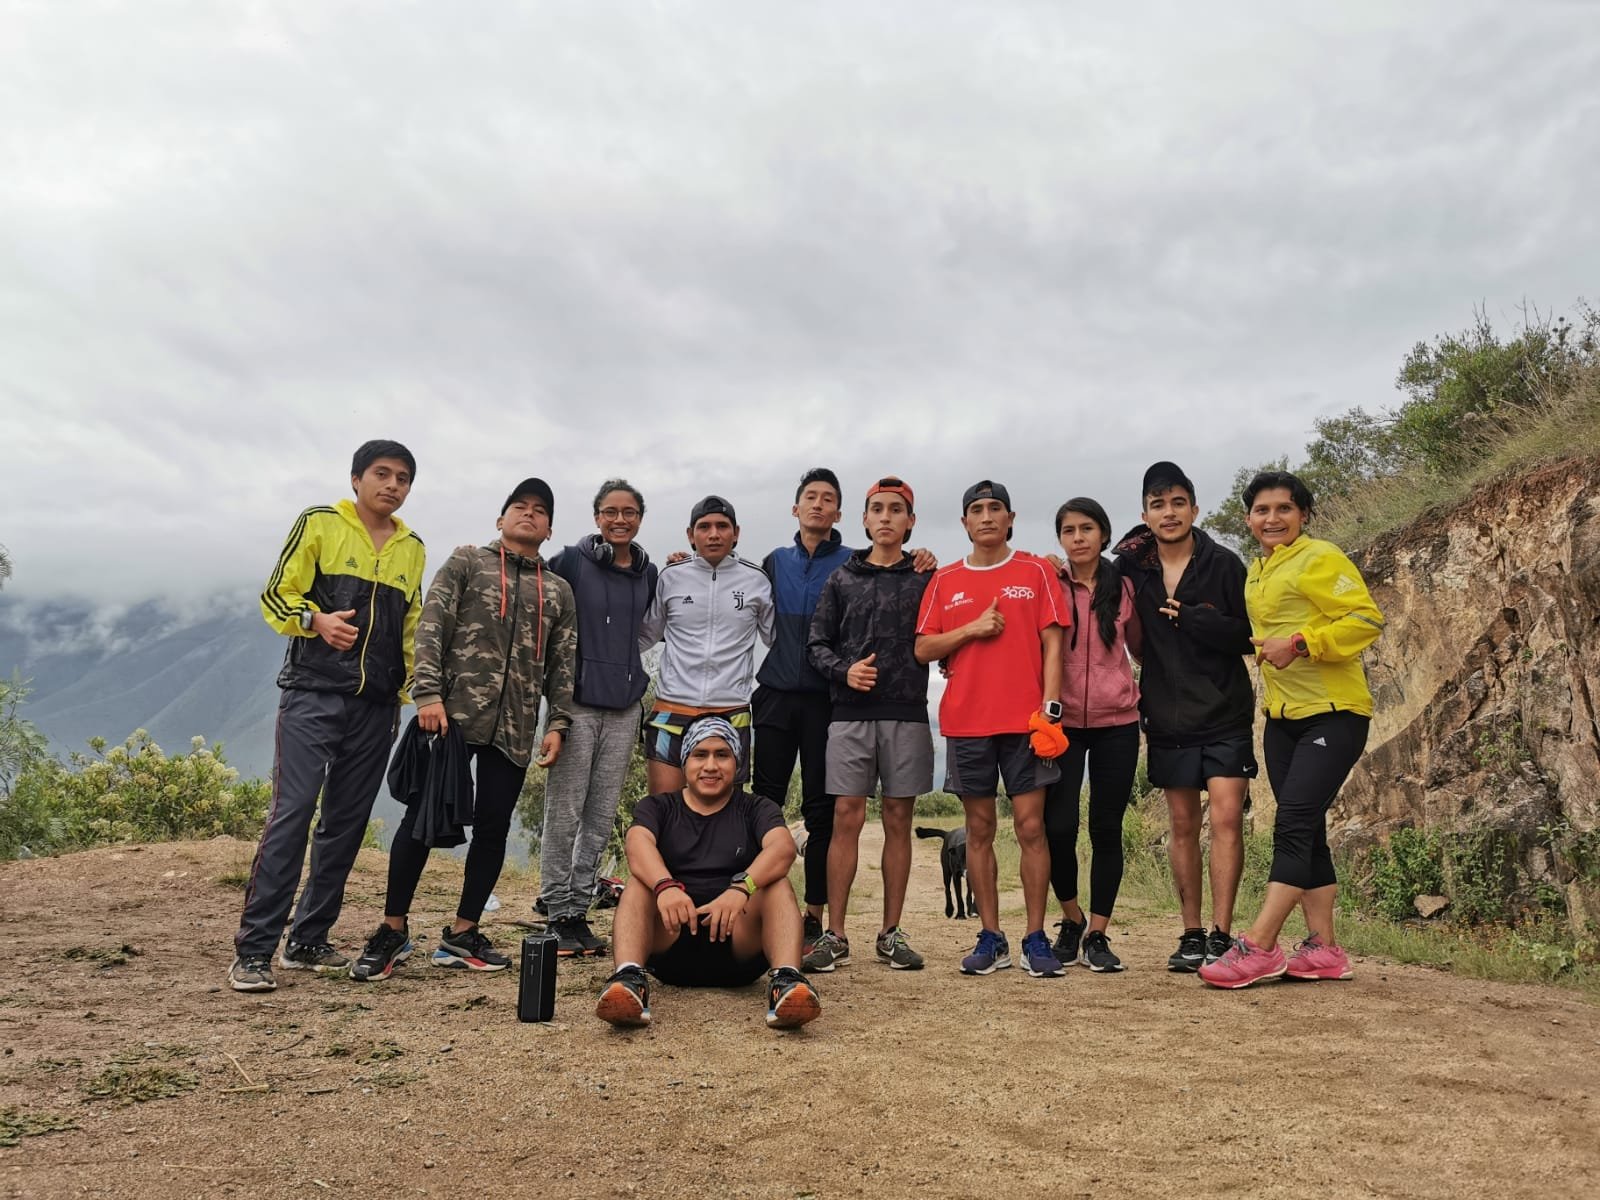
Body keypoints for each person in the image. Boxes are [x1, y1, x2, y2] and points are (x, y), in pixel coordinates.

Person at [351, 478, 577, 982]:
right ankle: (392, 929)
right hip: (451, 717)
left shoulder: (558, 590)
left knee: (493, 827)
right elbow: (431, 628)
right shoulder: (467, 563)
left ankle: (462, 933)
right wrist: (426, 695)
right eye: (519, 506)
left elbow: (564, 664)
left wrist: (557, 723)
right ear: (500, 519)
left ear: (549, 528)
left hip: (515, 728)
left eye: (540, 510)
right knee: (421, 821)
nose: (529, 514)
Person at [230, 439, 426, 993]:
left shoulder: (413, 547)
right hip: (313, 693)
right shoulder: (319, 523)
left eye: (403, 478)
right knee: (291, 814)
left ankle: (308, 940)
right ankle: (254, 950)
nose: (392, 485)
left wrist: (418, 692)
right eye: (382, 474)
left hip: (378, 706)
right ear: (357, 478)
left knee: (345, 824)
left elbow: (410, 628)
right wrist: (315, 620)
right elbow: (275, 596)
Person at [1201, 471, 1383, 988]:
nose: (1272, 518)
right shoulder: (1257, 571)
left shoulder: (1320, 557)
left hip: (1334, 713)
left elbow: (1366, 620)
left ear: (1304, 515)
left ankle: (1258, 945)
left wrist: (1301, 642)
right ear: (1248, 519)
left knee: (1294, 824)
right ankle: (1324, 949)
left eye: (1284, 509)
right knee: (1309, 828)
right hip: (1282, 720)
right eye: (1262, 510)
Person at [914, 480, 1071, 977]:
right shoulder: (943, 580)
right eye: (976, 510)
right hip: (966, 722)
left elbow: (1053, 643)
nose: (985, 517)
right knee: (978, 830)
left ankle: (1035, 938)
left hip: (1027, 724)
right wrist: (972, 629)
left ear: (1010, 518)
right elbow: (924, 649)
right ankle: (991, 936)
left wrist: (1050, 708)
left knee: (1031, 828)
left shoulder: (1037, 571)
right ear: (964, 522)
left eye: (994, 509)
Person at [1114, 461, 1256, 972]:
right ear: (1145, 514)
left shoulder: (1223, 563)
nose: (1168, 512)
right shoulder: (1134, 569)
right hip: (1167, 715)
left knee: (1224, 819)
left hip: (1224, 711)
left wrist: (1199, 621)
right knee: (1181, 824)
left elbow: (1248, 636)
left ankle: (1221, 933)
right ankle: (1190, 932)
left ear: (1195, 509)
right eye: (1158, 504)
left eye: (1178, 502)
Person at [594, 717, 821, 1029]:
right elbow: (637, 843)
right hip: (669, 944)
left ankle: (786, 982)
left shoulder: (757, 808)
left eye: (722, 755)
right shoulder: (658, 807)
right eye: (700, 754)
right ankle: (630, 979)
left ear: (737, 763)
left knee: (776, 884)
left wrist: (741, 888)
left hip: (739, 946)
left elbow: (782, 848)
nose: (711, 765)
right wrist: (665, 886)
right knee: (639, 884)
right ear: (685, 761)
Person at [802, 476, 934, 972]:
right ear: (863, 519)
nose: (885, 517)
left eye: (896, 509)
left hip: (907, 712)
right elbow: (816, 645)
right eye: (876, 508)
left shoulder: (927, 577)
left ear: (910, 522)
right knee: (846, 819)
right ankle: (835, 934)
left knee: (899, 820)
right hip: (849, 715)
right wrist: (845, 670)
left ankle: (890, 932)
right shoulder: (842, 578)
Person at [538, 479, 659, 957]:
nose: (620, 520)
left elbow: (648, 631)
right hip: (577, 704)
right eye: (610, 512)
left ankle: (578, 908)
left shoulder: (647, 575)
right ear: (596, 518)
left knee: (600, 814)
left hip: (625, 706)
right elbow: (530, 581)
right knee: (564, 809)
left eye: (629, 512)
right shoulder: (570, 561)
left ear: (640, 519)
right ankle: (554, 906)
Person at [752, 468, 852, 951]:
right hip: (773, 692)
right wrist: (682, 560)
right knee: (764, 802)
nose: (817, 504)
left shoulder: (856, 562)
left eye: (827, 498)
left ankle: (813, 913)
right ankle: (759, 901)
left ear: (838, 512)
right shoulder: (773, 561)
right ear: (795, 508)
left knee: (821, 808)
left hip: (827, 698)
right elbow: (729, 583)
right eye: (809, 497)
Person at [1044, 498, 1143, 973]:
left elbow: (1143, 645)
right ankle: (1071, 918)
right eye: (1068, 530)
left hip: (1118, 724)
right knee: (1057, 828)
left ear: (1103, 534)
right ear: (1060, 538)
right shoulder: (1047, 582)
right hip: (1061, 724)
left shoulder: (1124, 587)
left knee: (1106, 829)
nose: (1078, 537)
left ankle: (1099, 934)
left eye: (1087, 528)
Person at [638, 496, 774, 794]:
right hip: (672, 709)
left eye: (722, 526)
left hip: (731, 710)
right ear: (691, 534)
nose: (714, 534)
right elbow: (645, 636)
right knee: (665, 811)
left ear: (736, 533)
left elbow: (776, 640)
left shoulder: (757, 581)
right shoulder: (671, 577)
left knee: (726, 820)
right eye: (704, 527)